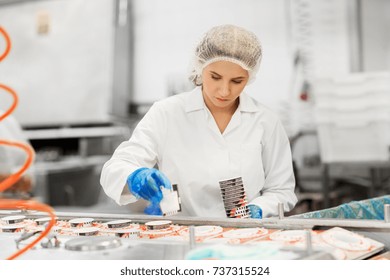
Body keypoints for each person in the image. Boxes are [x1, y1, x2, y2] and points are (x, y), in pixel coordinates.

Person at [100, 24, 297, 218]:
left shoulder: (265, 121)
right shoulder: (167, 113)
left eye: (237, 81)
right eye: (215, 77)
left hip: (245, 238)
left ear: (250, 77)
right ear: (200, 68)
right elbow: (115, 169)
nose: (224, 91)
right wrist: (135, 177)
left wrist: (260, 208)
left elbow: (282, 190)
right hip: (181, 236)